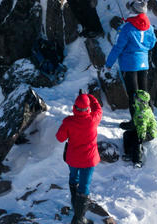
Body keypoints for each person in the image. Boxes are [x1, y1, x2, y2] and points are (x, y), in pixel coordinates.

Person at [56, 91, 102, 224]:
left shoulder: (69, 122)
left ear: (74, 107)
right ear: (88, 108)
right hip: (89, 160)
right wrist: (90, 97)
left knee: (73, 180)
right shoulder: (94, 119)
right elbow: (98, 108)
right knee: (84, 186)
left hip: (73, 159)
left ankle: (76, 211)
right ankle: (79, 218)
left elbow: (60, 138)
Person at [104, 0, 156, 105]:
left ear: (133, 11)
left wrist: (109, 63)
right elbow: (151, 44)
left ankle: (135, 120)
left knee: (133, 95)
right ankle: (149, 118)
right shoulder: (149, 27)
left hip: (129, 64)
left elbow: (118, 47)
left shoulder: (126, 28)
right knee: (144, 94)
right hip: (144, 63)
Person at [120, 89, 157, 166]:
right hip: (140, 129)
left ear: (140, 100)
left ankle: (137, 160)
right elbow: (135, 122)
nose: (134, 98)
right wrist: (125, 125)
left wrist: (141, 136)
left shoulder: (143, 112)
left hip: (149, 132)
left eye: (136, 97)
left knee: (136, 139)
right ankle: (129, 153)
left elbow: (142, 125)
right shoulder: (138, 108)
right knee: (126, 134)